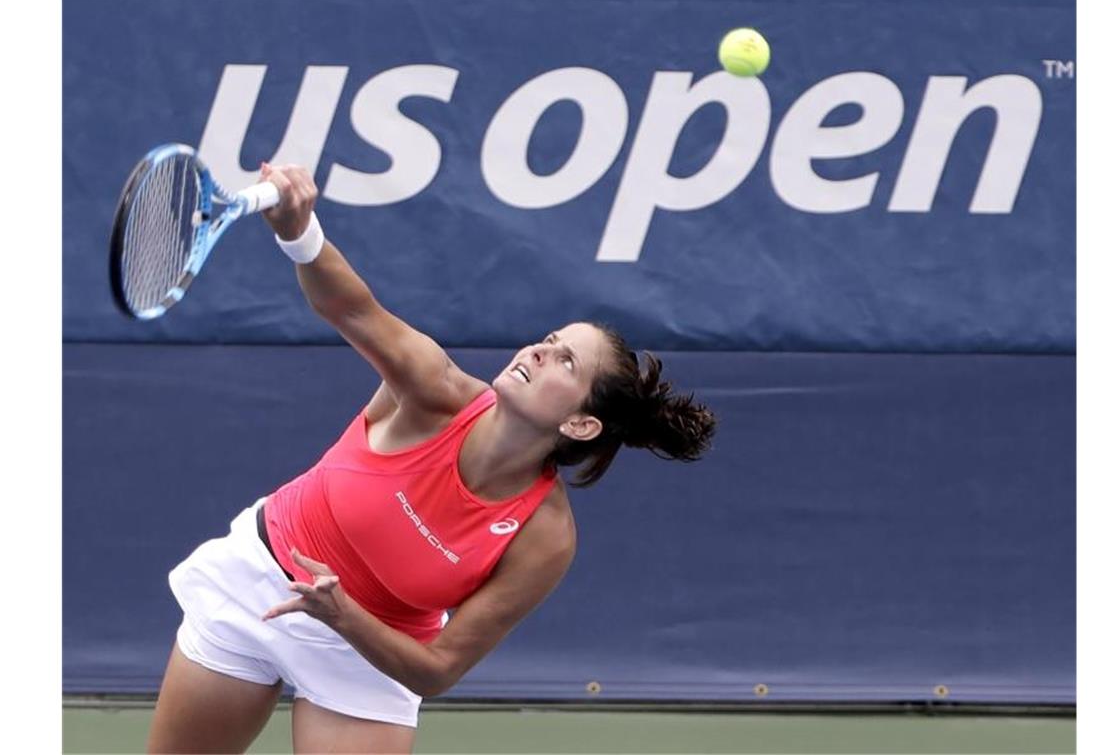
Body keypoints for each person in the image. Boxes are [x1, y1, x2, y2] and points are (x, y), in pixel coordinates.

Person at [146, 163, 717, 754]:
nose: (540, 352)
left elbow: (439, 666)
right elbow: (353, 309)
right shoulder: (435, 389)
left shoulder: (543, 535)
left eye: (566, 362)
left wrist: (343, 615)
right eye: (549, 340)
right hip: (261, 581)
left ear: (580, 423)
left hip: (371, 645)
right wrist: (299, 231)